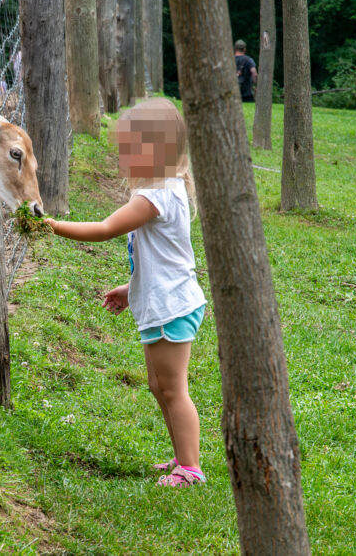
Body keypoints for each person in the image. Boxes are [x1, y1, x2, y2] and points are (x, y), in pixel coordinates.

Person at [42, 97, 208, 488]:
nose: (121, 156)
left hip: (172, 307)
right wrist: (131, 289)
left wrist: (49, 225)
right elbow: (160, 260)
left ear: (154, 149)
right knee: (158, 386)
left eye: (127, 149)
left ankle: (192, 469)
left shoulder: (156, 195)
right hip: (159, 301)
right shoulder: (161, 190)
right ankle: (182, 457)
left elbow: (104, 229)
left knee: (172, 388)